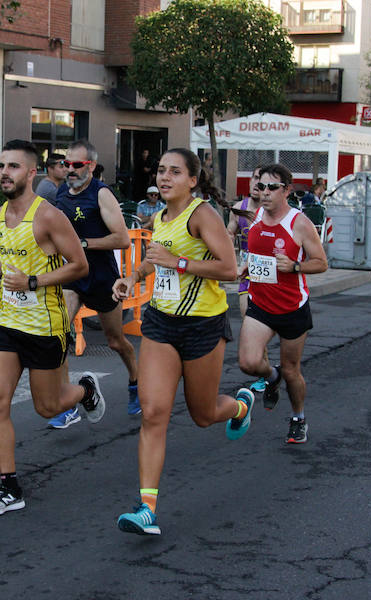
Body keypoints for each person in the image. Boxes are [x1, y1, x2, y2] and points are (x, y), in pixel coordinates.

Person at [111, 148, 253, 536]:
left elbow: (228, 269)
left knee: (203, 415)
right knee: (154, 412)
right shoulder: (160, 217)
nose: (165, 177)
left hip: (202, 327)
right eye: (161, 170)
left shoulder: (202, 214)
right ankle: (146, 508)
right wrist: (134, 277)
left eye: (175, 171)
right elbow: (158, 258)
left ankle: (239, 407)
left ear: (193, 179)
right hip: (160, 323)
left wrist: (179, 263)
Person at [0, 139, 104, 517]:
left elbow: (80, 266)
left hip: (44, 326)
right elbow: (5, 261)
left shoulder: (48, 216)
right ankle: (9, 487)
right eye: (1, 165)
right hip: (6, 323)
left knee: (48, 407)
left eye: (13, 166)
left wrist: (32, 282)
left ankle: (84, 390)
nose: (4, 173)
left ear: (31, 172)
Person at [49, 139, 141, 426]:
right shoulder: (62, 192)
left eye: (77, 165)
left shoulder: (102, 194)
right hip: (73, 276)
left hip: (103, 278)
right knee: (58, 334)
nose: (70, 169)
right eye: (67, 164)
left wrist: (83, 243)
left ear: (91, 166)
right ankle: (67, 401)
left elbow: (123, 239)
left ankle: (136, 382)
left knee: (115, 341)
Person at [237, 163, 329, 445]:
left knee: (292, 371)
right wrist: (246, 265)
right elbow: (256, 253)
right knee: (248, 363)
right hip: (260, 303)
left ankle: (298, 417)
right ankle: (271, 375)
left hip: (292, 308)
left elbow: (322, 263)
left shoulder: (299, 223)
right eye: (261, 186)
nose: (264, 193)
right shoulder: (255, 218)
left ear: (287, 190)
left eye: (271, 188)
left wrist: (296, 266)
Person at [227, 166, 267, 393]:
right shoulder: (238, 209)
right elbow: (230, 231)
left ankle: (274, 368)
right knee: (249, 321)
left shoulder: (272, 211)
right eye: (254, 178)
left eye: (262, 180)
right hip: (247, 274)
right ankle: (263, 372)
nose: (257, 183)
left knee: (269, 325)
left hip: (271, 276)